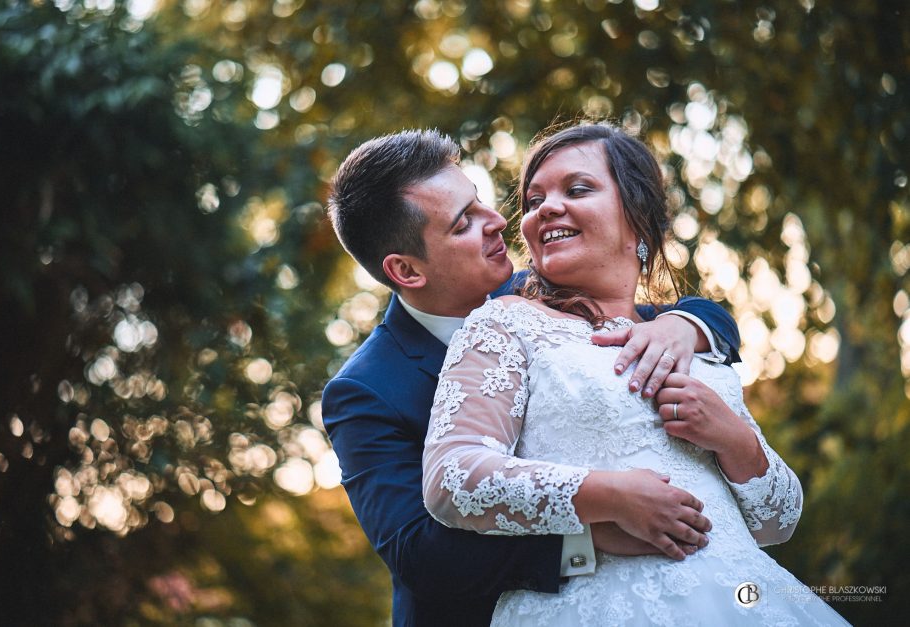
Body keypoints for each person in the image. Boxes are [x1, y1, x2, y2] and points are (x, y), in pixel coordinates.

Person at [422, 122, 849, 625]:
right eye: (534, 200)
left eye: (577, 189)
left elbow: (778, 521)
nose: (546, 208)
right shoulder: (506, 324)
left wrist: (734, 439)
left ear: (638, 218)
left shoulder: (694, 343)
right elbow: (452, 478)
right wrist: (609, 496)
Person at [322, 129, 742, 626]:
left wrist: (686, 324)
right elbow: (420, 553)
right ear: (407, 271)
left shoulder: (545, 295)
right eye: (465, 224)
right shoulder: (365, 392)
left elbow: (674, 317)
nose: (498, 221)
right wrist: (589, 530)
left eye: (479, 202)